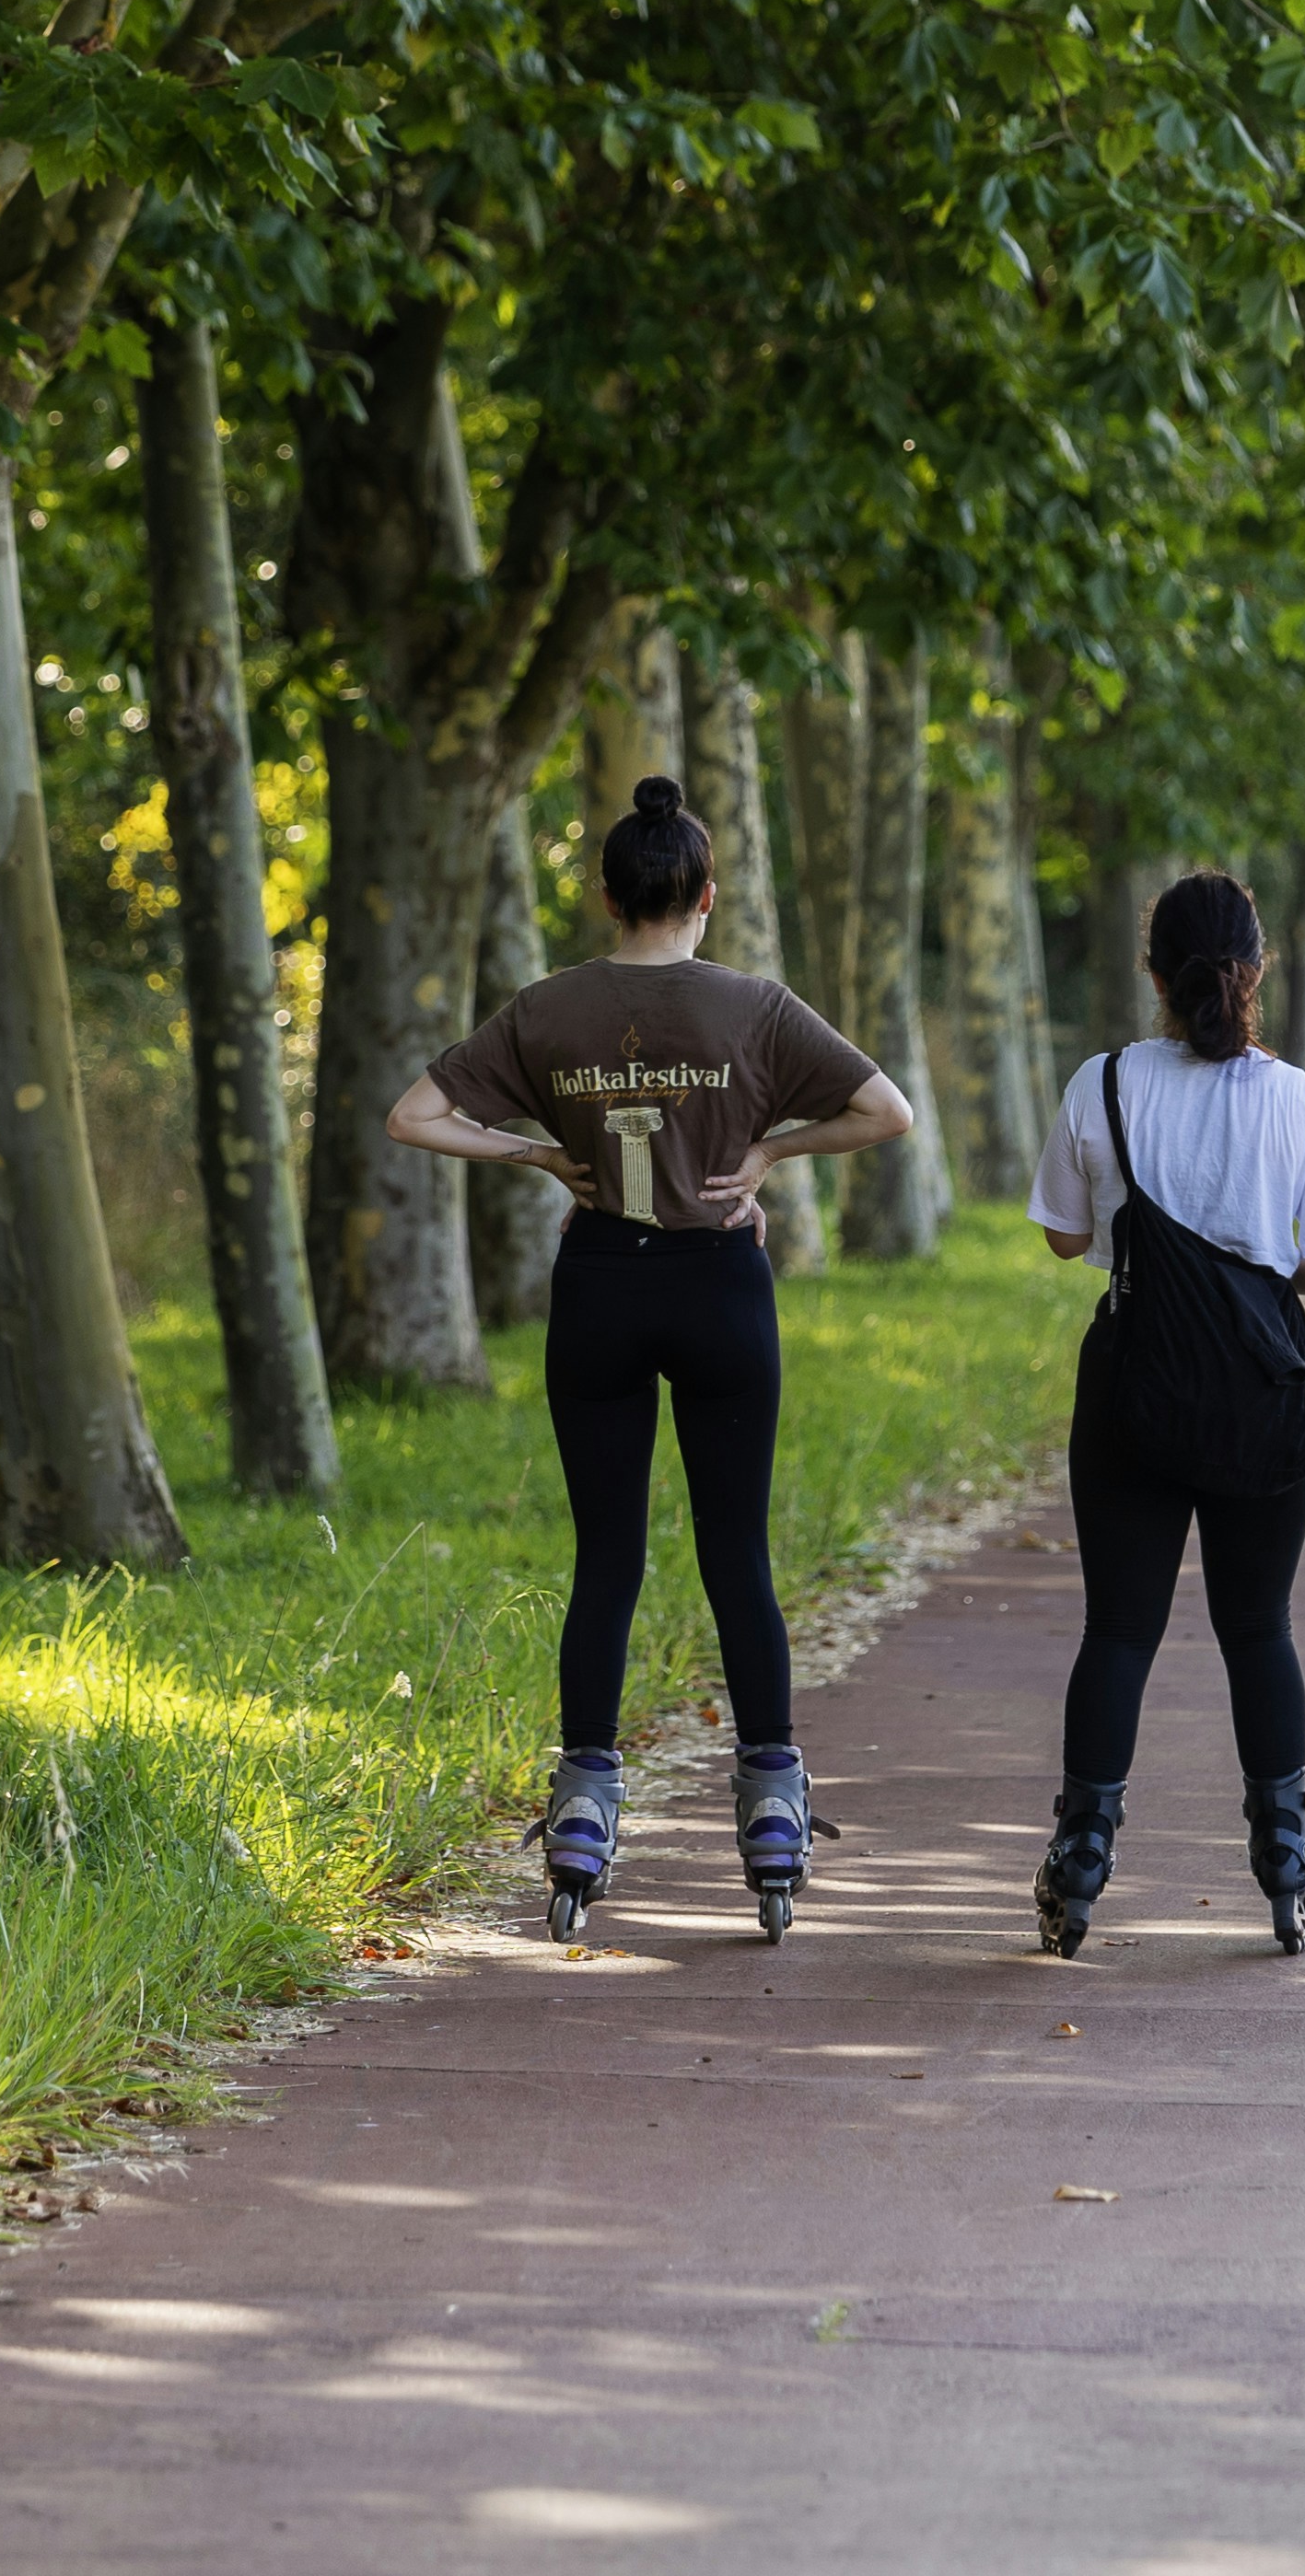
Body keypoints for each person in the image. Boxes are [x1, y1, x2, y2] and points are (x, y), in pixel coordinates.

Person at [388, 775, 915, 1944]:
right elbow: (889, 1112)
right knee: (739, 1555)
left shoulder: (548, 1009)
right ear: (707, 896)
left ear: (606, 895)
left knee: (608, 1559)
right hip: (722, 1282)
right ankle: (772, 1806)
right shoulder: (757, 1008)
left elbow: (411, 1116)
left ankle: (583, 1808)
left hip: (601, 1286)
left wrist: (532, 1154)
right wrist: (772, 1153)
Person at [1021, 870, 1305, 1959]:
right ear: (1254, 972)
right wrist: (1253, 1290)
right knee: (1258, 1630)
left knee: (1119, 1628)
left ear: (1152, 972)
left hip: (1132, 1390)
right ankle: (1283, 1853)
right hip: (1263, 1394)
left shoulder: (1104, 1083)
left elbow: (1065, 1239)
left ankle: (1080, 1858)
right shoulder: (1296, 1098)